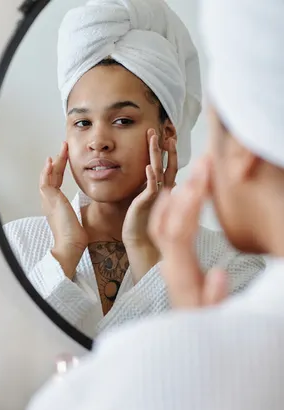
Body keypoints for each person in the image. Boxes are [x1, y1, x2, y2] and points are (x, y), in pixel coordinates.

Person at [25, 0, 284, 408]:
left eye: (123, 120)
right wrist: (64, 253)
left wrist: (147, 253)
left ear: (167, 133)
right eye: (81, 122)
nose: (98, 141)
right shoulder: (19, 244)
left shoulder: (229, 263)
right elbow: (8, 360)